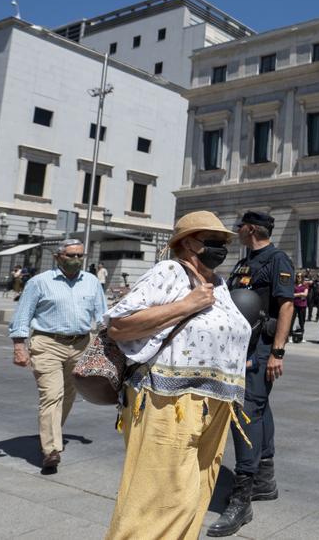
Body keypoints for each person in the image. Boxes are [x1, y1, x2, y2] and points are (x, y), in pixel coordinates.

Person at [103, 211, 250, 538]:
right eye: (212, 241)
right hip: (169, 401)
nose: (221, 247)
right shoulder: (170, 271)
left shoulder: (220, 284)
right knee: (162, 499)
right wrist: (186, 305)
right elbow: (118, 325)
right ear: (187, 243)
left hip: (216, 405)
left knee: (195, 495)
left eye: (224, 241)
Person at [209, 211, 296, 536]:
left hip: (260, 348)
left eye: (240, 227)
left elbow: (286, 305)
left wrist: (277, 351)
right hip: (240, 346)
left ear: (252, 228)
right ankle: (264, 479)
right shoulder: (244, 262)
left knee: (246, 413)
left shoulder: (277, 259)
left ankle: (242, 497)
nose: (237, 231)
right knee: (259, 407)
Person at [7, 239, 104, 474]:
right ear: (58, 257)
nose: (77, 260)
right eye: (71, 255)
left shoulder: (91, 282)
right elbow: (23, 314)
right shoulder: (39, 282)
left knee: (69, 396)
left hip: (81, 344)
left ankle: (50, 434)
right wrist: (19, 345)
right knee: (52, 395)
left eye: (81, 255)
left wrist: (105, 345)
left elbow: (102, 316)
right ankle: (51, 450)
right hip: (47, 344)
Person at [291, 272, 309, 341]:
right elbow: (291, 294)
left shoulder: (305, 285)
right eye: (298, 276)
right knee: (291, 321)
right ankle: (290, 335)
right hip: (294, 305)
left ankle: (301, 336)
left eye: (300, 276)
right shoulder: (294, 285)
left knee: (302, 321)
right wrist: (300, 294)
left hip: (302, 305)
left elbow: (305, 294)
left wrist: (296, 294)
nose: (299, 278)